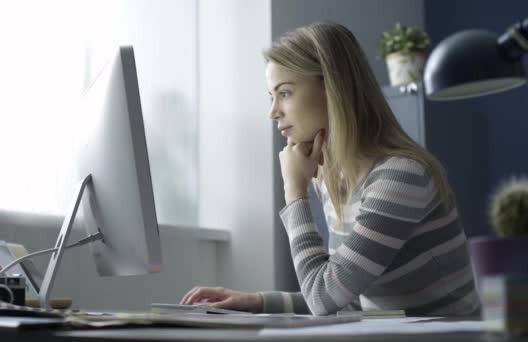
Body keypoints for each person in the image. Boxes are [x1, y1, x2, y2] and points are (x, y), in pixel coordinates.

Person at [180, 21, 480, 316]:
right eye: (271, 97)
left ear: (332, 89)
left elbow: (323, 298)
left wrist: (293, 193)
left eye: (284, 93)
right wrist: (256, 301)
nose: (273, 112)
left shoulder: (400, 177)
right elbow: (347, 298)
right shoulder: (334, 178)